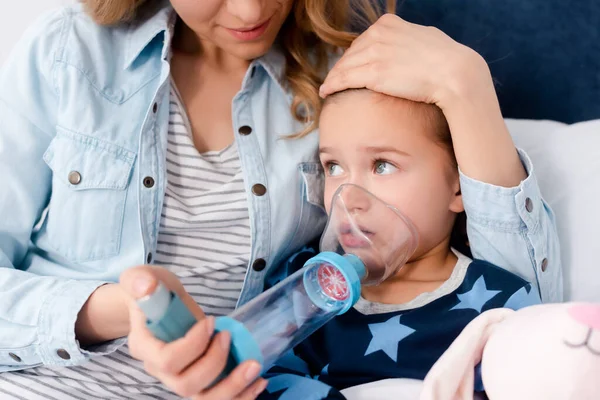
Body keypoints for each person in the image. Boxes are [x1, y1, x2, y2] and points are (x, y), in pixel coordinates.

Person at [0, 0, 560, 398]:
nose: (250, 12)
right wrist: (118, 311)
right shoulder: (68, 56)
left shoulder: (345, 78)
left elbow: (524, 319)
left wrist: (467, 85)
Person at [256, 89, 542, 399]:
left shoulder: (500, 303)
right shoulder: (304, 287)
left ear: (458, 188)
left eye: (382, 166)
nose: (348, 197)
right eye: (333, 167)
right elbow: (257, 376)